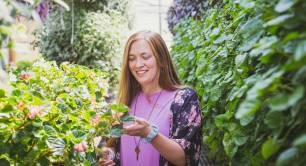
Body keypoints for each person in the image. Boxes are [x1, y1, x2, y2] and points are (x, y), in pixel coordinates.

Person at [99, 30, 202, 166]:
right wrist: (108, 156)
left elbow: (185, 159)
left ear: (162, 60)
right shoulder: (128, 98)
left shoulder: (184, 99)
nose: (138, 64)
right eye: (131, 58)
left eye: (145, 56)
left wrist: (149, 133)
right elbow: (112, 144)